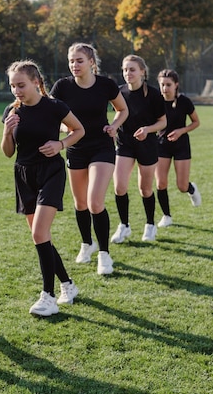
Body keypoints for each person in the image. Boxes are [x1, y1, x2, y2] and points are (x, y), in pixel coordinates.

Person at [1, 60, 85, 316]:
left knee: (39, 233)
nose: (16, 90)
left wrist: (60, 145)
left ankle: (48, 296)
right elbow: (7, 153)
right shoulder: (11, 111)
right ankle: (68, 285)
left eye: (21, 85)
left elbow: (79, 130)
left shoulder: (54, 106)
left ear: (36, 82)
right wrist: (6, 132)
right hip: (24, 175)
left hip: (51, 172)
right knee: (41, 237)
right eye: (13, 85)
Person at [50, 43, 128, 275]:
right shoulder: (62, 87)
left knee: (95, 202)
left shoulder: (106, 85)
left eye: (79, 60)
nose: (74, 65)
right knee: (80, 203)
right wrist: (65, 128)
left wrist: (114, 126)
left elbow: (122, 110)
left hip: (102, 147)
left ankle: (104, 254)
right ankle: (87, 244)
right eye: (71, 61)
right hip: (76, 148)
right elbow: (52, 111)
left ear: (91, 62)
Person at [111, 55, 166, 243]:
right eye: (125, 69)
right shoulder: (119, 93)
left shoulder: (153, 94)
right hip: (125, 143)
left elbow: (163, 122)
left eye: (132, 69)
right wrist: (112, 127)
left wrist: (147, 130)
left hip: (147, 145)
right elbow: (119, 115)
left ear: (142, 71)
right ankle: (124, 225)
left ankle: (150, 225)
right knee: (119, 187)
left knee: (145, 189)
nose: (128, 73)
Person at [155, 69, 201, 228]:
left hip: (181, 145)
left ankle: (191, 188)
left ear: (176, 85)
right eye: (162, 85)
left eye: (168, 85)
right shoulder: (156, 101)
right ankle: (166, 216)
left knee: (181, 186)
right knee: (160, 183)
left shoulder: (184, 102)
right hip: (161, 145)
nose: (165, 88)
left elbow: (196, 122)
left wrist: (181, 131)